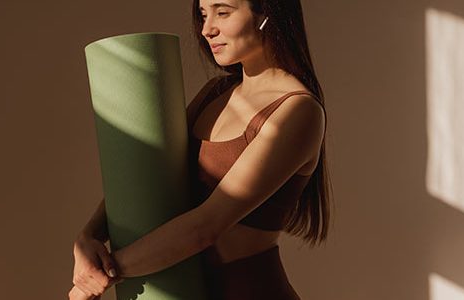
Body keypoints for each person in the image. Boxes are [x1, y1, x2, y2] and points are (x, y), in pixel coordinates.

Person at [69, 0, 332, 299]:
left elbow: (206, 227)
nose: (207, 29)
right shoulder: (214, 93)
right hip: (181, 288)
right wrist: (88, 236)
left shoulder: (299, 111)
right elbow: (154, 170)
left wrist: (103, 272)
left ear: (267, 13)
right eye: (203, 15)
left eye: (223, 12)